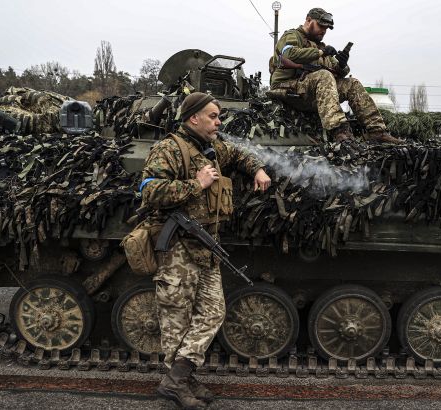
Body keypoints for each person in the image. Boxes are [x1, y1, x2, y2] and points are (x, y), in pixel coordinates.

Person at [139, 92, 271, 409]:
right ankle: (178, 382)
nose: (218, 121)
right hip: (177, 251)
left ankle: (178, 378)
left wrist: (257, 169)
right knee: (176, 324)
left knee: (213, 313)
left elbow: (238, 155)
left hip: (207, 250)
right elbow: (149, 190)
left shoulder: (211, 150)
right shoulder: (169, 149)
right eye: (213, 116)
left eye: (219, 116)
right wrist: (196, 185)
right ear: (193, 118)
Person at [270, 7, 401, 144]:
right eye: (321, 26)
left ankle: (377, 132)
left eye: (326, 28)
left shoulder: (320, 46)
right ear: (309, 20)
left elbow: (337, 69)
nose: (323, 31)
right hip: (287, 88)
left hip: (310, 92)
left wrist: (342, 64)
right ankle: (340, 131)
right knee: (324, 75)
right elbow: (289, 54)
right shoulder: (292, 36)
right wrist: (321, 53)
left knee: (352, 83)